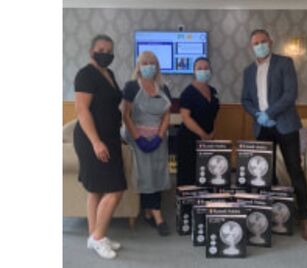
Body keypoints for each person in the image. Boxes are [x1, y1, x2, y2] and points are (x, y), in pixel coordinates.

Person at [241, 29, 307, 241]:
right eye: (256, 43)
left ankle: (305, 219)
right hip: (262, 127)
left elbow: (290, 94)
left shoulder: (285, 63)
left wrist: (269, 113)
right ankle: (270, 217)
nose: (260, 45)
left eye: (263, 41)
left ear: (270, 42)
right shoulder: (248, 71)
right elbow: (245, 100)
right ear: (251, 46)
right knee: (265, 174)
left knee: (295, 171)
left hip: (285, 125)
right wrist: (257, 115)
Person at [73, 34, 126, 259]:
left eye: (109, 50)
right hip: (93, 140)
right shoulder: (86, 75)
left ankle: (95, 235)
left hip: (110, 138)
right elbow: (82, 110)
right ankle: (97, 238)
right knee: (116, 189)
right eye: (101, 49)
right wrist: (96, 142)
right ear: (91, 51)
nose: (105, 53)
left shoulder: (109, 73)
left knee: (96, 189)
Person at [121, 51, 172, 236]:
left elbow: (167, 115)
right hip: (137, 138)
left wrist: (159, 136)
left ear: (157, 66)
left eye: (152, 63)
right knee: (146, 174)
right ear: (138, 66)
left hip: (158, 138)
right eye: (145, 62)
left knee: (158, 172)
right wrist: (139, 138)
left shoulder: (163, 87)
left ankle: (148, 211)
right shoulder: (131, 86)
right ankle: (158, 217)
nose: (149, 66)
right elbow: (125, 115)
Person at [176, 57, 220, 186]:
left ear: (210, 71)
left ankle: (202, 204)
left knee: (205, 173)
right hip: (189, 140)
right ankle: (186, 206)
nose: (203, 71)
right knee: (188, 175)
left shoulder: (213, 91)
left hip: (208, 139)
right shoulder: (188, 92)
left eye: (206, 68)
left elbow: (215, 114)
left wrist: (212, 133)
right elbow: (185, 117)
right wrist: (203, 135)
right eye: (199, 69)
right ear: (194, 71)